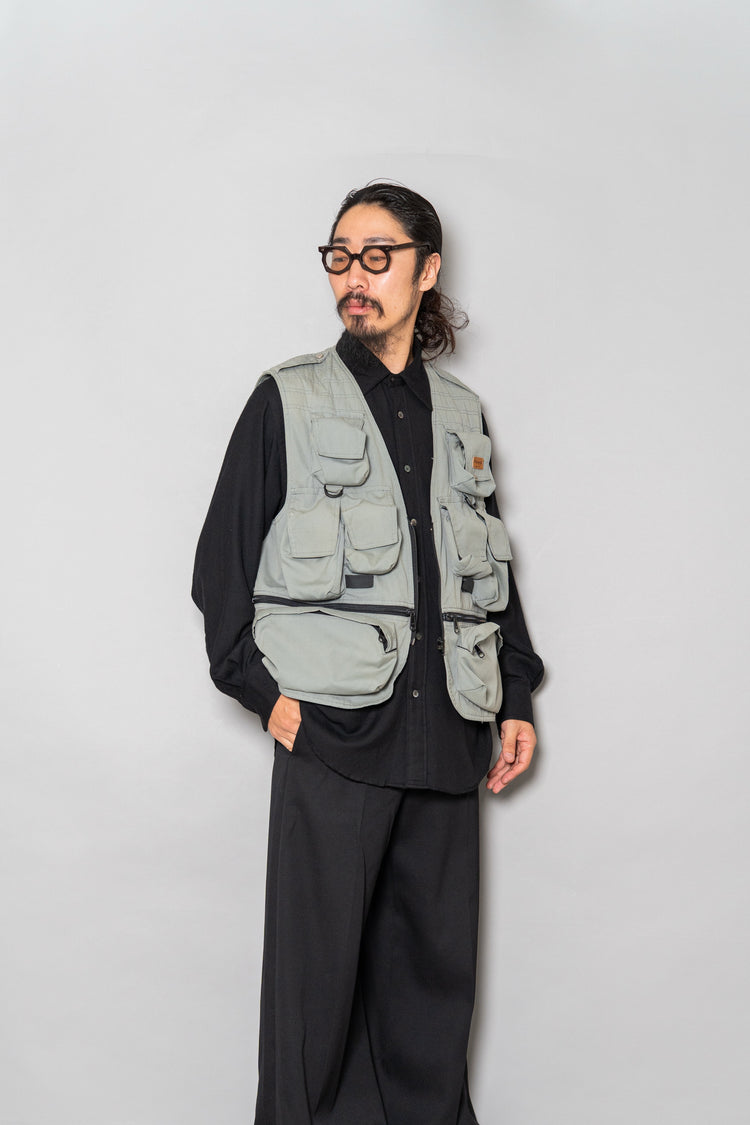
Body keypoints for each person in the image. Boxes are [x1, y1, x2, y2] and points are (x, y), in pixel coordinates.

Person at [192, 182, 544, 1125]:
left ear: (427, 271)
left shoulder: (462, 412)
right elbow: (220, 566)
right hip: (336, 737)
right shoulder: (287, 398)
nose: (355, 276)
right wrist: (263, 694)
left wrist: (515, 694)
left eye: (377, 257)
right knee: (314, 1002)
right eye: (340, 257)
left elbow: (488, 569)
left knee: (432, 997)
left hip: (449, 739)